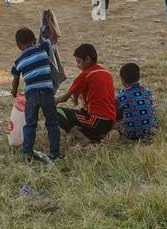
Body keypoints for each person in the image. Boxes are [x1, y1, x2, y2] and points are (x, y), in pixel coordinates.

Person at [10, 27, 61, 162]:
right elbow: (54, 38)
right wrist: (49, 21)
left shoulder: (17, 61)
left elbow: (15, 80)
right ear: (34, 41)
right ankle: (55, 152)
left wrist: (14, 92)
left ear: (18, 45)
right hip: (47, 93)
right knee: (52, 123)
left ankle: (27, 151)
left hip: (31, 95)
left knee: (30, 124)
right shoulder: (42, 48)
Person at [54, 43, 117, 147]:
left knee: (56, 112)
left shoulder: (85, 74)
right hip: (110, 121)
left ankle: (81, 138)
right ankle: (103, 135)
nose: (77, 65)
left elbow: (65, 98)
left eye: (78, 62)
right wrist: (76, 99)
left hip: (96, 120)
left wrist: (52, 101)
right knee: (80, 120)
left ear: (87, 59)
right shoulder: (107, 73)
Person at [115, 62, 157, 141]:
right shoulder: (147, 91)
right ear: (139, 77)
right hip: (151, 130)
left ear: (122, 79)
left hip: (130, 133)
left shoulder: (121, 95)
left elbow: (115, 113)